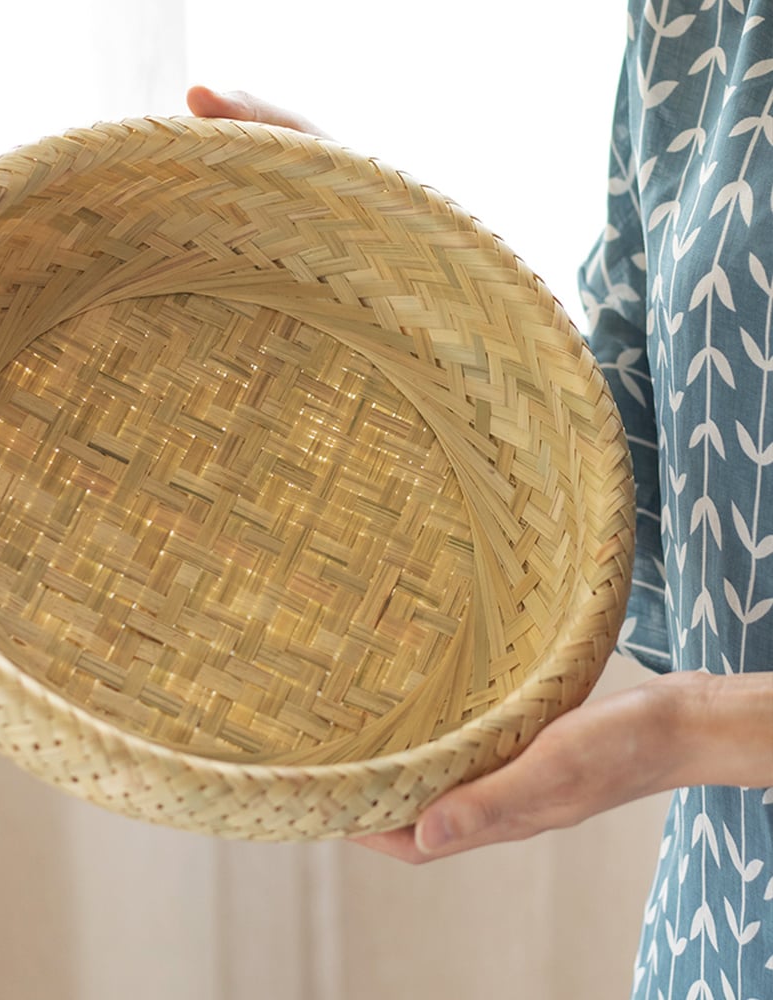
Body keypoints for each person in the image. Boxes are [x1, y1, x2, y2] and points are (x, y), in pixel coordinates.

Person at [187, 2, 773, 996]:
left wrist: (689, 729)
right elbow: (662, 500)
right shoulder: (695, 23)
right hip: (726, 927)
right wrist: (408, 291)